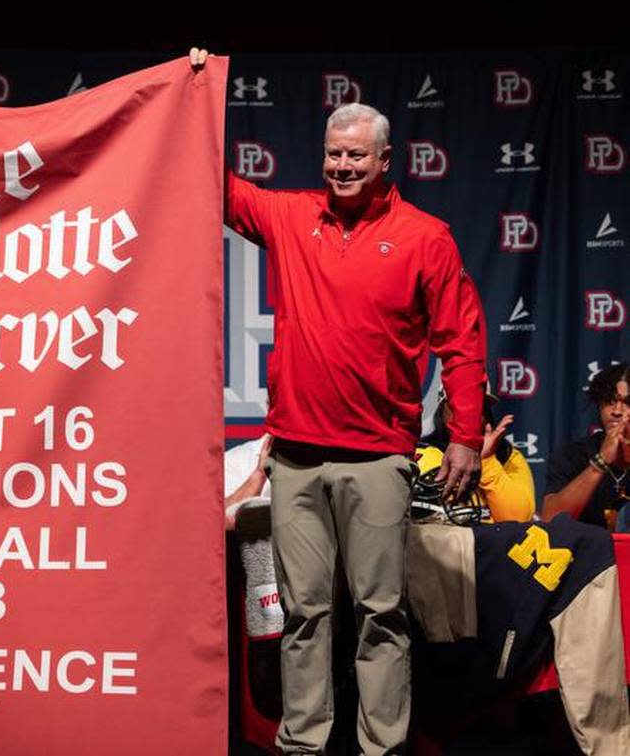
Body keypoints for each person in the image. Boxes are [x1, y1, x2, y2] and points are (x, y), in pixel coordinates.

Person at [190, 48, 486, 755]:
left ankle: (383, 746)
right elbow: (212, 184)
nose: (342, 166)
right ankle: (304, 742)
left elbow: (463, 341)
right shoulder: (293, 218)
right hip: (293, 458)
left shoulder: (425, 239)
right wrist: (195, 92)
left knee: (382, 613)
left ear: (386, 160)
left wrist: (466, 434)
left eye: (356, 155)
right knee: (303, 613)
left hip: (378, 460)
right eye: (332, 154)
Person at [420, 385, 535, 522]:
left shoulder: (508, 455)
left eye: (479, 405)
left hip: (498, 542)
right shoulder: (424, 454)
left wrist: (487, 461)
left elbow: (519, 518)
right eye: (462, 404)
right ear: (442, 409)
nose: (471, 413)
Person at [543, 362, 630, 529]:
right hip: (586, 554)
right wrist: (600, 462)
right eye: (610, 401)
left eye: (627, 402)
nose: (617, 411)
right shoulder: (572, 455)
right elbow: (550, 519)